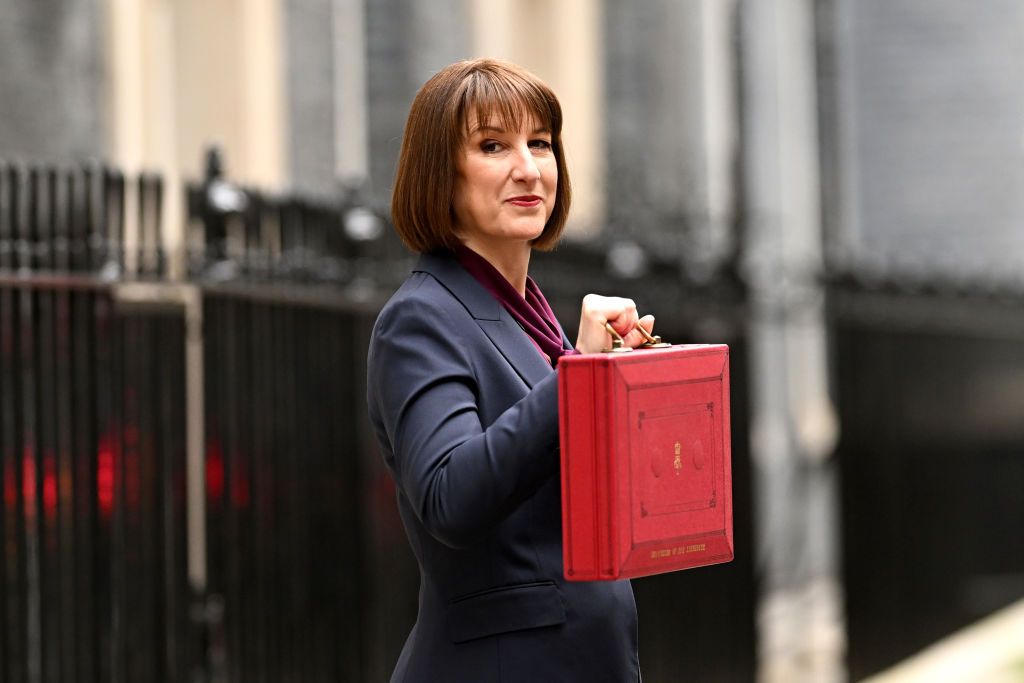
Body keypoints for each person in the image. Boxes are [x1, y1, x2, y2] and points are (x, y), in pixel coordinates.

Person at [366, 58, 654, 682]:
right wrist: (579, 378)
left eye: (541, 144)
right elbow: (451, 497)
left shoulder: (531, 317)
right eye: (492, 145)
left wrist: (624, 386)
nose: (528, 167)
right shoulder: (419, 319)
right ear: (439, 173)